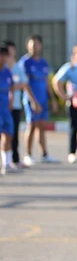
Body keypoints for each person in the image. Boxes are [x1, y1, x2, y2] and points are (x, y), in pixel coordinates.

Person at [22, 35, 59, 165]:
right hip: (32, 100)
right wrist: (33, 101)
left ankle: (44, 154)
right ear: (28, 45)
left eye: (37, 44)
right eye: (32, 44)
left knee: (42, 126)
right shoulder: (25, 62)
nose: (35, 46)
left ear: (41, 45)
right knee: (31, 126)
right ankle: (28, 154)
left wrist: (53, 99)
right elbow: (25, 84)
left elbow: (47, 82)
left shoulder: (43, 62)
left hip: (43, 99)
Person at [3, 41, 37, 168]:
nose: (11, 53)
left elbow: (24, 84)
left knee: (12, 134)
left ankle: (14, 160)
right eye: (8, 51)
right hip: (2, 106)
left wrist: (33, 100)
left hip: (15, 105)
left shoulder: (17, 67)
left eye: (13, 50)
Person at [0, 46, 21, 175]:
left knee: (9, 135)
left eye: (5, 56)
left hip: (6, 109)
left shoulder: (8, 71)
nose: (3, 58)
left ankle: (6, 163)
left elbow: (12, 86)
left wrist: (11, 100)